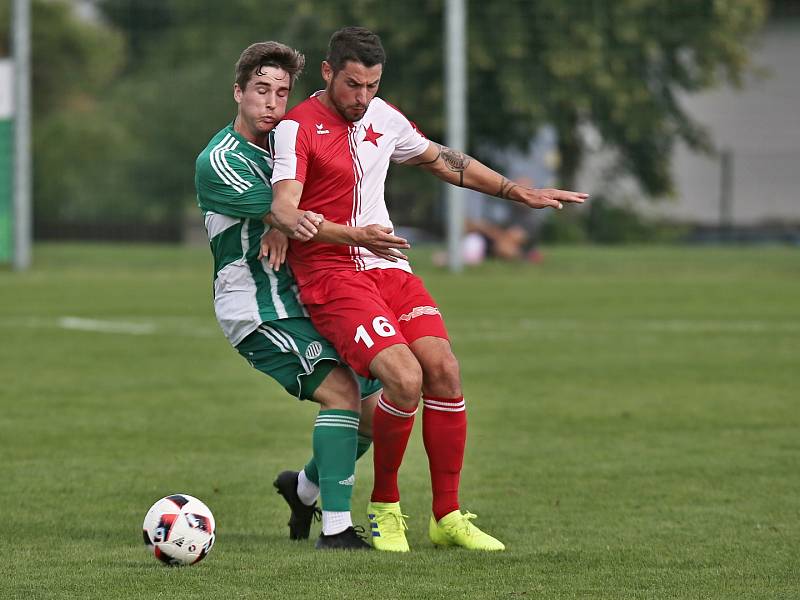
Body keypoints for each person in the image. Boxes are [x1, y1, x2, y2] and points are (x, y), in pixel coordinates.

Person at [268, 26, 588, 552]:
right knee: (404, 376)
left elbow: (444, 160)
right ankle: (386, 509)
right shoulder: (297, 128)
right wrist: (353, 235)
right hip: (331, 275)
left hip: (388, 268)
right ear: (327, 73)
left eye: (372, 85)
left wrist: (516, 192)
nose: (362, 98)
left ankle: (447, 516)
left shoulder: (383, 118)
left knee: (444, 368)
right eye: (352, 85)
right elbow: (284, 209)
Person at [194, 41, 409, 550]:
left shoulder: (285, 145)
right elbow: (287, 211)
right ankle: (335, 531)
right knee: (341, 393)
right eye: (261, 91)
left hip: (304, 295)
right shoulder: (220, 159)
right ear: (238, 92)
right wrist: (326, 229)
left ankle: (305, 488)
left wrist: (285, 222)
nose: (271, 102)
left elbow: (298, 204)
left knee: (379, 412)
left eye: (282, 93)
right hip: (256, 305)